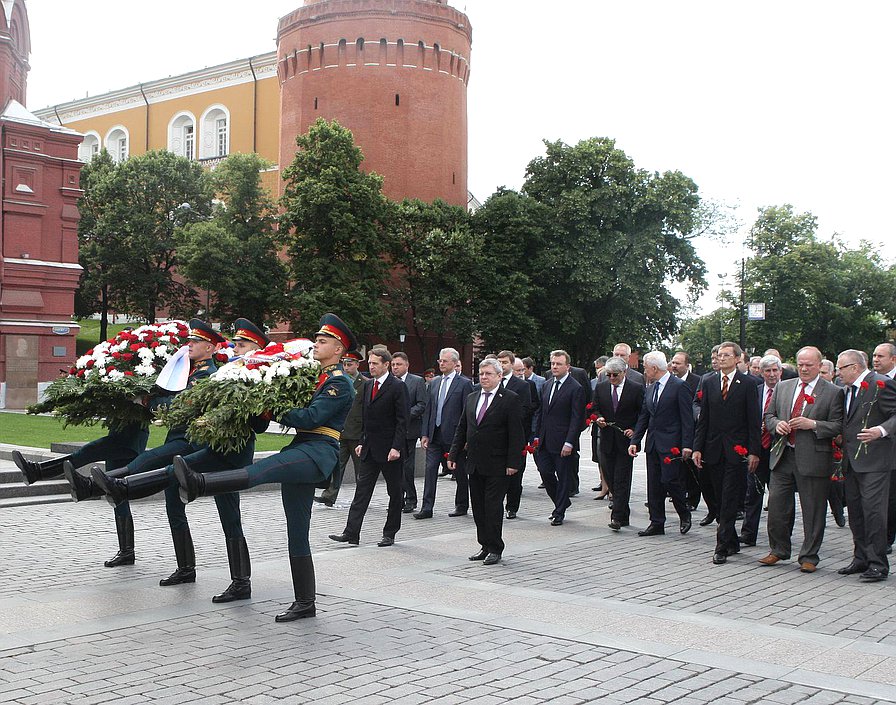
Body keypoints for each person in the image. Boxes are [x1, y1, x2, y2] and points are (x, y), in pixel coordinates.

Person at [173, 313, 358, 621]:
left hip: (319, 451)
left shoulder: (340, 384)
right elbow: (279, 413)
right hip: (302, 448)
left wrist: (271, 405)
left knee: (266, 469)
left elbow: (310, 418)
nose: (316, 343)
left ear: (339, 349)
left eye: (323, 341)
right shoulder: (311, 377)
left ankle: (199, 483)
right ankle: (305, 602)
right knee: (296, 532)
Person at [84, 319, 226, 586]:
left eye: (195, 342)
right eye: (190, 340)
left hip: (189, 443)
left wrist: (149, 399)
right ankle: (186, 568)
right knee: (174, 508)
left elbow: (175, 403)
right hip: (178, 437)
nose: (190, 345)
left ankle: (103, 485)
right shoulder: (187, 371)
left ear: (210, 347)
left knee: (147, 460)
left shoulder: (206, 375)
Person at [760, 347, 843, 573]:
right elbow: (769, 415)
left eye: (809, 365)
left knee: (813, 509)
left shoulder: (832, 392)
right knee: (777, 506)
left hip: (813, 457)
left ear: (819, 365)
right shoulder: (784, 386)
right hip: (783, 454)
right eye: (801, 364)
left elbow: (837, 425)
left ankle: (809, 555)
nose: (804, 369)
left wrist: (813, 425)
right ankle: (778, 549)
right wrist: (777, 424)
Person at [448, 358, 525, 565]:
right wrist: (453, 454)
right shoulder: (472, 397)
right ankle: (484, 544)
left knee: (492, 506)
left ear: (499, 376)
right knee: (479, 506)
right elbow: (462, 427)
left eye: (488, 374)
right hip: (474, 462)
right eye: (481, 374)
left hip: (498, 464)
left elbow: (516, 434)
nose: (484, 377)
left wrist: (513, 463)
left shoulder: (510, 399)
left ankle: (495, 547)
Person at [329, 348, 408, 547]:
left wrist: (396, 447)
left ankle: (390, 533)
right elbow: (366, 418)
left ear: (386, 365)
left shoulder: (397, 387)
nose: (371, 367)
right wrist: (362, 441)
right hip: (370, 449)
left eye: (375, 363)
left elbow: (402, 420)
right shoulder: (368, 385)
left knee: (395, 493)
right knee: (361, 492)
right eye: (370, 363)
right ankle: (351, 533)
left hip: (391, 451)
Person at [692, 341, 761, 565]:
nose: (721, 359)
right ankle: (731, 539)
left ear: (737, 359)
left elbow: (753, 420)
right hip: (712, 447)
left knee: (730, 497)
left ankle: (721, 546)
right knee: (717, 496)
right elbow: (704, 419)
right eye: (719, 355)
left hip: (736, 449)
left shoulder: (748, 383)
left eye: (726, 355)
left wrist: (753, 451)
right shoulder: (709, 381)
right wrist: (697, 447)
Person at [835, 349, 896, 582]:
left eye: (841, 368)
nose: (838, 374)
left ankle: (878, 564)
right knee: (856, 513)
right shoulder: (847, 390)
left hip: (875, 461)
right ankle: (861, 557)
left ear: (855, 367)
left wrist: (880, 431)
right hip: (852, 461)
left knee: (873, 513)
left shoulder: (881, 383)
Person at [628, 351, 693, 537]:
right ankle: (657, 522)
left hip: (671, 444)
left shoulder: (679, 386)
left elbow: (687, 418)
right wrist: (635, 440)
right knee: (654, 484)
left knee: (670, 481)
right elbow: (644, 417)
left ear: (654, 368)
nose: (644, 371)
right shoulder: (650, 388)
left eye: (646, 368)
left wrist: (687, 444)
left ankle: (684, 513)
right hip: (653, 444)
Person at [416, 348, 473, 519]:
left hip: (455, 436)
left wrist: (465, 438)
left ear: (455, 364)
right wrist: (425, 433)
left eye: (445, 361)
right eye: (440, 361)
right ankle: (427, 507)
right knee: (430, 469)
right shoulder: (434, 383)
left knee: (460, 471)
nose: (441, 364)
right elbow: (429, 409)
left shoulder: (464, 384)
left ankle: (462, 504)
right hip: (435, 433)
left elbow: (468, 412)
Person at [533, 350, 585, 526]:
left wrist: (569, 441)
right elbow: (542, 412)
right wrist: (537, 435)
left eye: (558, 364)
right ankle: (561, 501)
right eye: (553, 363)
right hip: (546, 439)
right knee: (545, 472)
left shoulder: (575, 388)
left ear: (567, 367)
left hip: (563, 441)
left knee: (563, 477)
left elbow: (576, 418)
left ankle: (559, 511)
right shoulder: (547, 385)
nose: (554, 366)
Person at [593, 356, 644, 530]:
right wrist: (598, 417)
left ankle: (616, 516)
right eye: (608, 375)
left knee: (622, 479)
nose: (612, 378)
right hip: (607, 439)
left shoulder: (636, 389)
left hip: (625, 441)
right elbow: (595, 407)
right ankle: (624, 514)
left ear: (624, 372)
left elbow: (642, 413)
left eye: (615, 374)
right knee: (610, 477)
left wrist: (634, 429)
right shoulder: (601, 388)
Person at [739, 354, 781, 547]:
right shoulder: (754, 391)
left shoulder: (787, 391)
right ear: (761, 373)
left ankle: (780, 536)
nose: (771, 374)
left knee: (778, 497)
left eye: (775, 370)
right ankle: (748, 533)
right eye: (767, 371)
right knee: (752, 493)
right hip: (757, 450)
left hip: (779, 450)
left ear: (780, 372)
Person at [315, 350, 365, 507]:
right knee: (337, 465)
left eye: (350, 364)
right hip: (341, 431)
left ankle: (361, 497)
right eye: (344, 364)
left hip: (357, 432)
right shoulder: (338, 379)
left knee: (360, 470)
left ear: (357, 365)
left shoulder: (364, 383)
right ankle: (329, 495)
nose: (347, 367)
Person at [496, 351, 534, 519]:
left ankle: (512, 506)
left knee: (515, 473)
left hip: (515, 436)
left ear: (511, 364)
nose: (502, 365)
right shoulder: (493, 382)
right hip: (495, 437)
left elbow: (525, 410)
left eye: (504, 362)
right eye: (499, 362)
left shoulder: (522, 385)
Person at [390, 352, 427, 513]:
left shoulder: (417, 381)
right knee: (394, 469)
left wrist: (404, 415)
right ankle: (397, 499)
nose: (395, 367)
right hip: (392, 431)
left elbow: (421, 404)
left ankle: (410, 499)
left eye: (398, 364)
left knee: (407, 467)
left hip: (409, 431)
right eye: (393, 365)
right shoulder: (389, 382)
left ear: (407, 365)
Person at [870, 343, 896, 553]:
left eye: (881, 356)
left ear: (893, 359)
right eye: (874, 355)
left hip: (891, 446)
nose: (876, 359)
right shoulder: (871, 381)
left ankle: (887, 538)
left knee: (892, 496)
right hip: (876, 451)